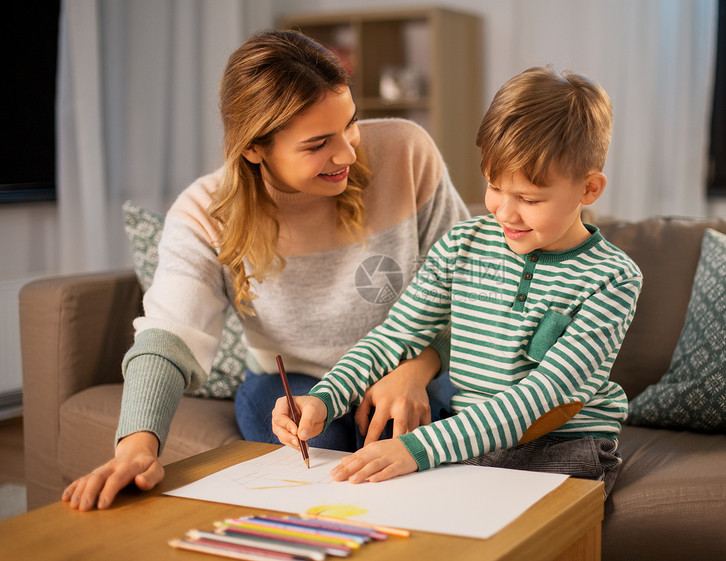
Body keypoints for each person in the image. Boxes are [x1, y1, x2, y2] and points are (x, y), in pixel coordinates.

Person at [62, 29, 469, 511]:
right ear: (254, 148)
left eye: (351, 124)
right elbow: (168, 338)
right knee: (295, 437)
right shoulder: (202, 214)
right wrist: (135, 447)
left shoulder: (407, 153)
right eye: (318, 144)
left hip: (415, 364)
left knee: (416, 446)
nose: (347, 153)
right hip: (297, 382)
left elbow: (466, 287)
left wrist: (416, 368)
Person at [273, 66, 643, 495]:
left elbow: (544, 396)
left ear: (589, 189)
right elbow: (394, 337)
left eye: (528, 199)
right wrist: (322, 398)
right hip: (467, 439)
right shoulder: (460, 246)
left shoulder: (612, 279)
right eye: (493, 186)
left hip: (562, 447)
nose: (504, 212)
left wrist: (416, 448)